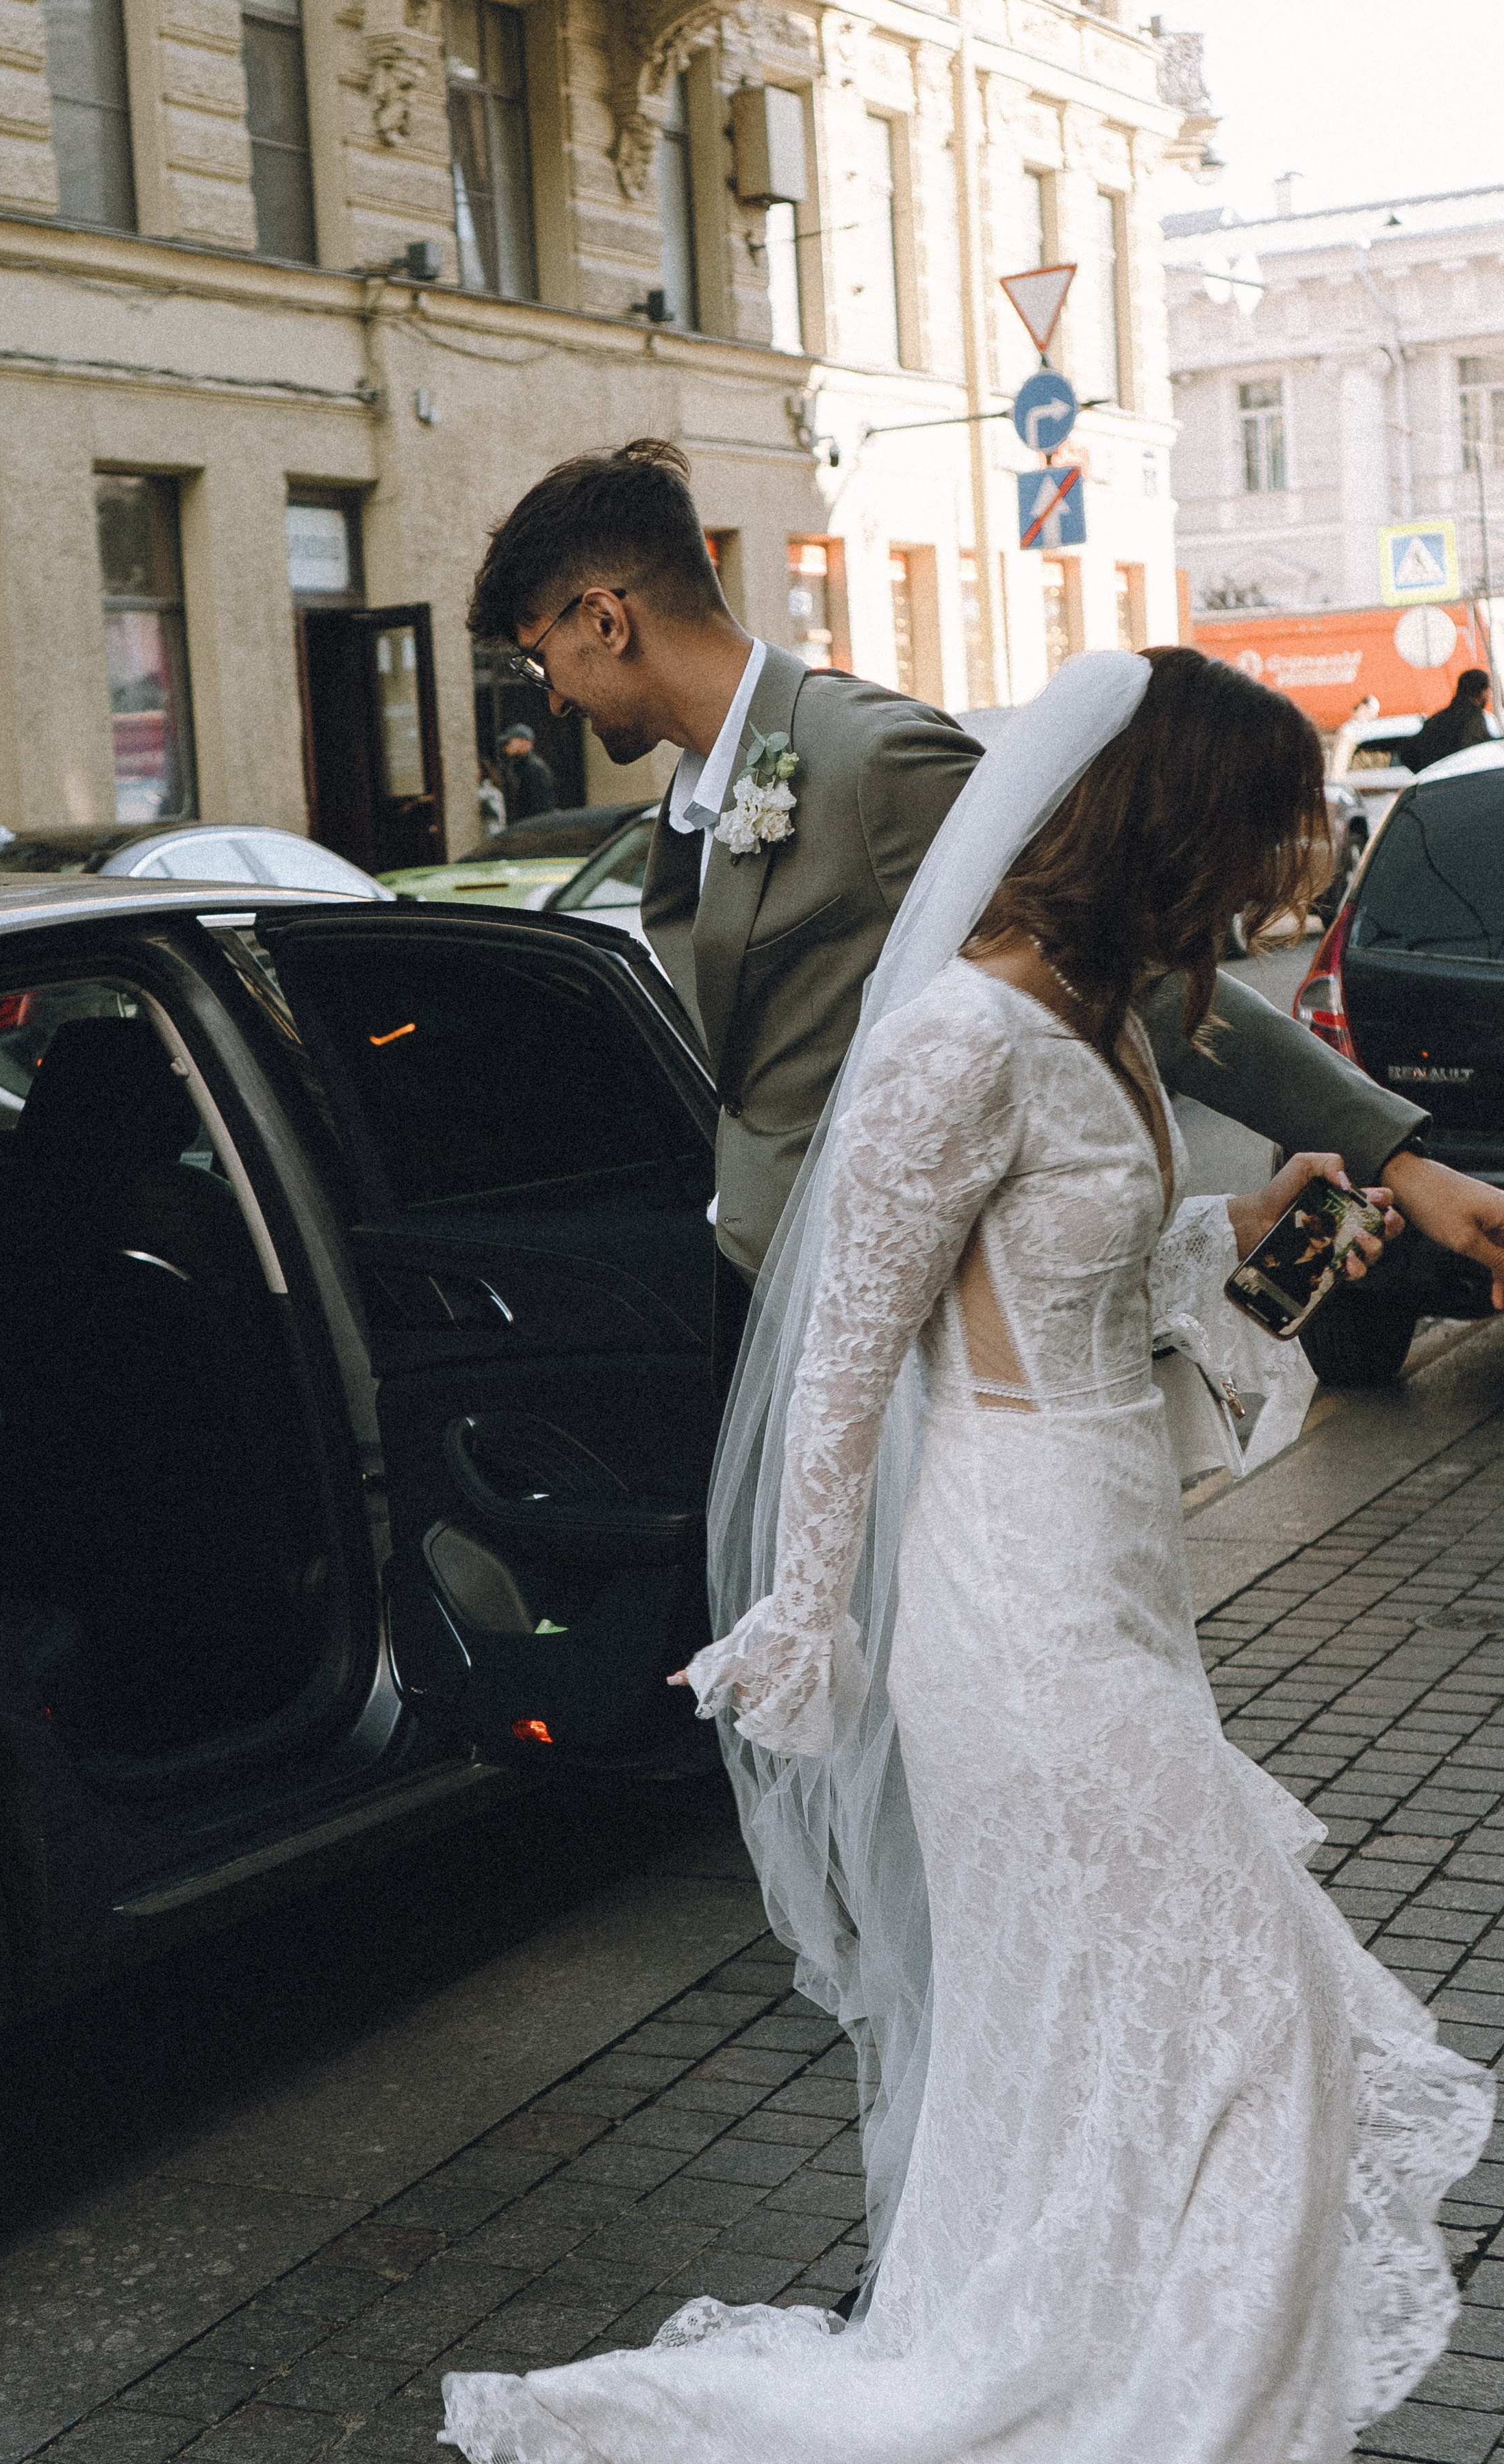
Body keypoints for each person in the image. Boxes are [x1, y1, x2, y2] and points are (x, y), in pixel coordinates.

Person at [439, 648, 1496, 2464]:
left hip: (1113, 1575)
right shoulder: (959, 1038)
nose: (1287, 875)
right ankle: (1195, 2418)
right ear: (1175, 827)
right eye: (1267, 834)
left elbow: (1069, 1290)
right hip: (1010, 1615)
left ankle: (1113, 2371)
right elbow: (855, 1341)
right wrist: (802, 1610)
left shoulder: (1097, 1025)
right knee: (1258, 2008)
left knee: (1097, 2042)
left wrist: (1239, 1224)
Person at [464, 437, 1504, 1313]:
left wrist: (1401, 1158)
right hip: (767, 1283)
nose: (546, 699)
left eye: (535, 657)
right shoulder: (695, 795)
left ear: (606, 619)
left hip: (891, 1316)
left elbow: (1124, 972)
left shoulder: (872, 763)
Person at [1397, 665, 1496, 774]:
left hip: (1435, 783)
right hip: (1459, 781)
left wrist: (1426, 775)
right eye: (1488, 689)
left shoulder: (1439, 718)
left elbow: (1407, 752)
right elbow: (1473, 753)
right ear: (1482, 691)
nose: (1489, 694)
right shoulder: (1473, 718)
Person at [496, 721, 558, 819]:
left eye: (510, 741)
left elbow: (540, 805)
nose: (506, 746)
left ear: (524, 742)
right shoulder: (517, 766)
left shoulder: (535, 768)